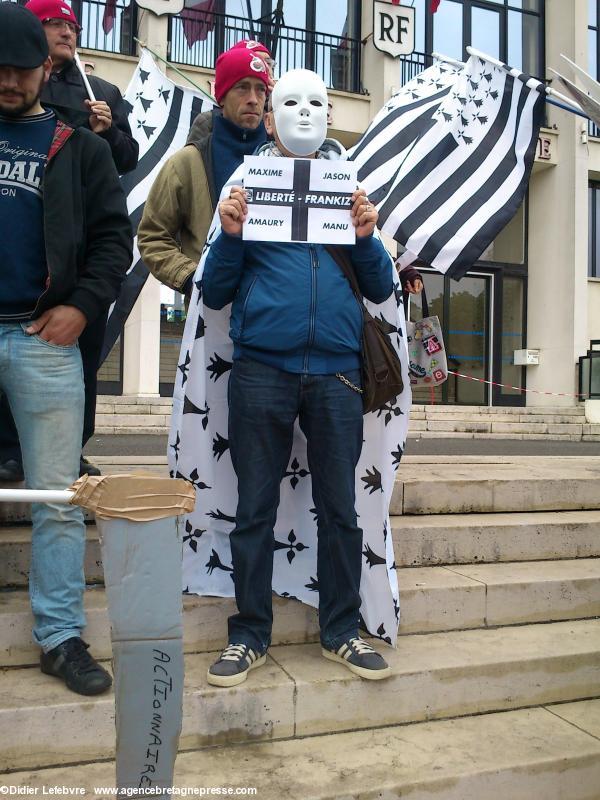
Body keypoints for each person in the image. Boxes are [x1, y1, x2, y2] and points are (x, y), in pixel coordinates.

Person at [201, 69, 397, 687]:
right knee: (253, 505)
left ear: (332, 112)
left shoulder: (352, 184)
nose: (305, 113)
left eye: (317, 102)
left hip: (337, 372)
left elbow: (382, 287)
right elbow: (211, 291)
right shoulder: (244, 183)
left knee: (340, 508)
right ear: (270, 115)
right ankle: (250, 634)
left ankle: (342, 628)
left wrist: (366, 240)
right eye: (291, 102)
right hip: (261, 369)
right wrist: (231, 236)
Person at [0, 2, 132, 694]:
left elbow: (115, 240)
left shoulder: (77, 146)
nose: (9, 81)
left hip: (43, 340)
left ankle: (58, 635)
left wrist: (82, 308)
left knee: (56, 496)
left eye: (21, 68)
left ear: (44, 67)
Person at [0, 0, 139, 484]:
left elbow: (125, 158)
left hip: (68, 277)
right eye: (55, 23)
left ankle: (66, 449)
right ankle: (13, 450)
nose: (67, 31)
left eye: (72, 24)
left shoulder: (97, 89)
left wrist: (108, 128)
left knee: (78, 365)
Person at [137, 44, 270, 298]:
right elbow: (152, 236)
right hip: (212, 321)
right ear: (221, 95)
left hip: (275, 316)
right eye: (242, 87)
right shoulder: (187, 163)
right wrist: (192, 278)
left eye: (260, 88)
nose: (254, 98)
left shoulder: (286, 159)